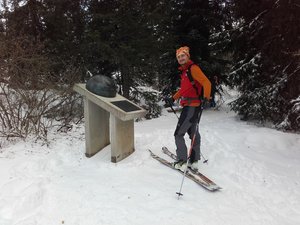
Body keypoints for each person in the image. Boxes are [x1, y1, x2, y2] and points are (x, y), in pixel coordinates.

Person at [170, 46, 211, 171]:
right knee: (193, 133)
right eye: (179, 57)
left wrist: (206, 97)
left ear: (188, 56)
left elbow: (207, 83)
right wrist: (173, 98)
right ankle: (194, 161)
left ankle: (181, 161)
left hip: (191, 107)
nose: (181, 58)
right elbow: (184, 89)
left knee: (178, 134)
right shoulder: (185, 72)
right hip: (192, 106)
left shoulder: (193, 68)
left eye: (183, 56)